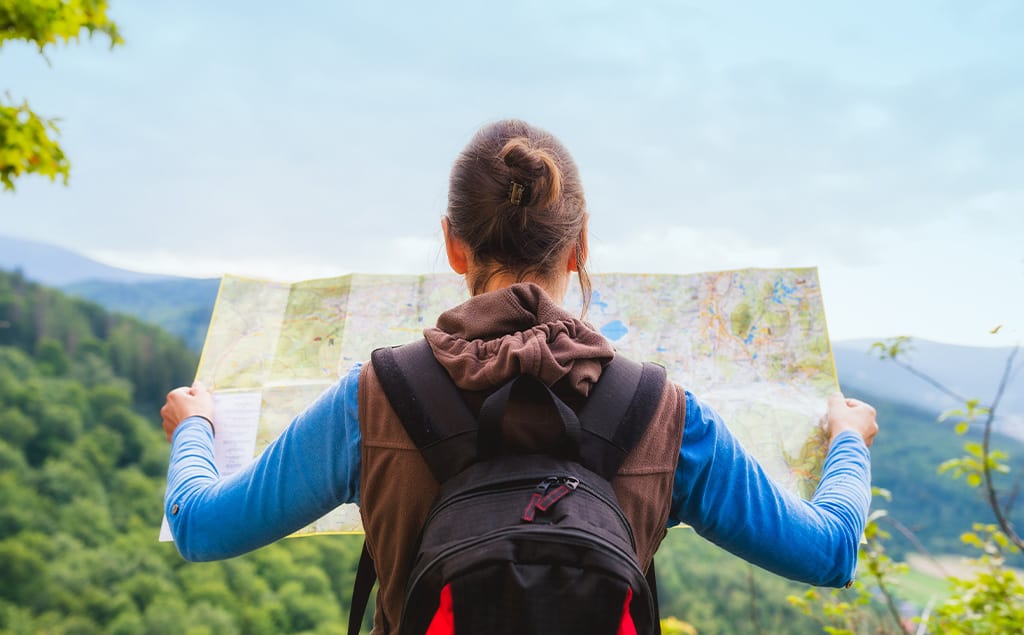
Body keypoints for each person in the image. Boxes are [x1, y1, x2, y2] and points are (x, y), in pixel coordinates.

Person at [161, 119, 877, 634]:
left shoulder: (373, 400)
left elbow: (199, 524)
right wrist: (848, 438)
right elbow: (830, 548)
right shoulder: (667, 417)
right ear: (581, 245)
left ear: (451, 243)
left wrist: (194, 425)